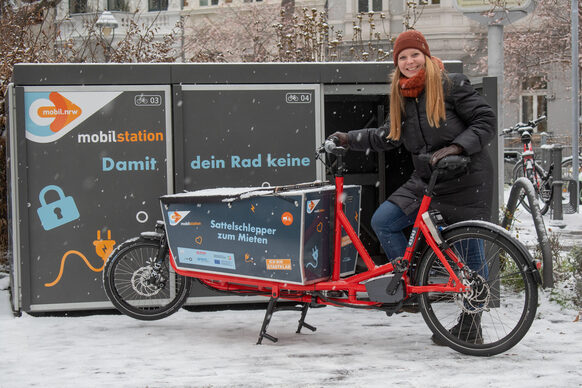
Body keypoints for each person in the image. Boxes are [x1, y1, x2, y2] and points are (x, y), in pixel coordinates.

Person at [329, 30, 496, 345]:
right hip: (427, 179)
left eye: (414, 55)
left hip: (465, 178)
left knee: (468, 256)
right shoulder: (402, 94)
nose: (409, 62)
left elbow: (485, 121)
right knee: (384, 221)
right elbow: (387, 135)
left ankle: (471, 323)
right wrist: (348, 138)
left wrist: (458, 148)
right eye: (402, 57)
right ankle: (410, 280)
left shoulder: (451, 84)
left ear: (425, 55)